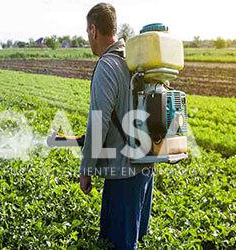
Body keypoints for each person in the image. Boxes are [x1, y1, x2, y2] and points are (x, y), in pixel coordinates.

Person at [80, 3, 154, 249]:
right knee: (130, 239)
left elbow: (99, 121)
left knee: (120, 244)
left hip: (124, 172)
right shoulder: (134, 60)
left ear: (93, 30)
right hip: (144, 164)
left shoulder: (107, 65)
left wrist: (86, 168)